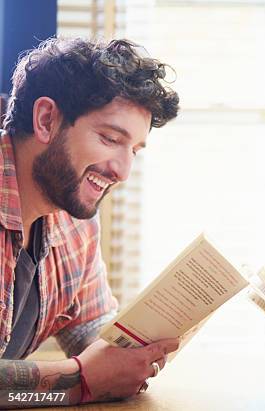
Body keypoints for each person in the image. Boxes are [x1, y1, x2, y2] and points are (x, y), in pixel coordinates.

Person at [0, 37, 181, 406]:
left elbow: (94, 339)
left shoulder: (75, 221)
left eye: (133, 150)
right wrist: (76, 380)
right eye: (110, 138)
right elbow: (87, 372)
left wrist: (133, 356)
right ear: (47, 120)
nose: (123, 170)